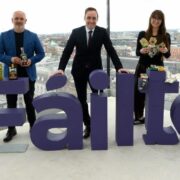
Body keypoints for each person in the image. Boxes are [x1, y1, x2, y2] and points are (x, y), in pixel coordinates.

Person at [53, 7, 127, 139]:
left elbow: (111, 50)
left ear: (97, 19)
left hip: (96, 72)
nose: (91, 20)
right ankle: (88, 125)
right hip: (79, 71)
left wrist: (119, 67)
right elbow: (67, 51)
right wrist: (61, 68)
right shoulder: (76, 32)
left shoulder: (102, 32)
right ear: (84, 18)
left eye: (94, 18)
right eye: (89, 18)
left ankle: (98, 125)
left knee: (97, 98)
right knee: (81, 100)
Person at [0, 11, 45, 142]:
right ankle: (11, 129)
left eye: (21, 19)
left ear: (26, 21)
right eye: (16, 18)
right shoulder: (3, 35)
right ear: (12, 20)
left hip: (28, 74)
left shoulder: (33, 36)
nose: (19, 21)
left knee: (29, 102)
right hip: (11, 74)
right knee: (11, 103)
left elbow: (41, 53)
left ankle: (33, 126)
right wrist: (10, 59)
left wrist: (31, 60)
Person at [134, 10, 171, 125]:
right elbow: (137, 52)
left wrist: (165, 50)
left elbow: (168, 55)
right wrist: (141, 50)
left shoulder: (165, 36)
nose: (156, 20)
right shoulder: (142, 34)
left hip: (157, 71)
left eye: (158, 18)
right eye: (154, 18)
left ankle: (154, 119)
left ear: (162, 21)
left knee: (155, 94)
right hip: (143, 69)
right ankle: (139, 117)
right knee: (140, 93)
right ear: (150, 19)